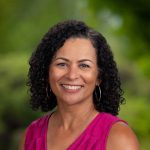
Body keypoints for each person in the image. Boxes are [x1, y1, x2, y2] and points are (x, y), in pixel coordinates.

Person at [19, 20, 140, 150]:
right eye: (62, 64)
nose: (72, 75)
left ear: (99, 76)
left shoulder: (118, 137)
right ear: (47, 72)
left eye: (84, 65)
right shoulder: (31, 135)